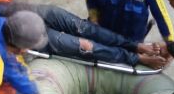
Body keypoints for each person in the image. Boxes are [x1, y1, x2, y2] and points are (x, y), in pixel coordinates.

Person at [9, 4, 165, 69]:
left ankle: (135, 45)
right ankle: (136, 58)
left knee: (85, 28)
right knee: (82, 46)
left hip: (29, 11)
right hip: (23, 32)